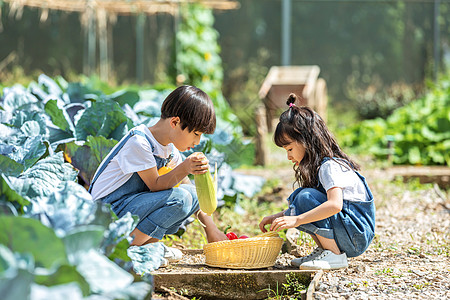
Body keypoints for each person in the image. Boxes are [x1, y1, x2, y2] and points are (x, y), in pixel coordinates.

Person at [89, 85, 227, 264]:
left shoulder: (168, 148)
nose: (197, 141)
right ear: (175, 122)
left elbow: (189, 188)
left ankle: (148, 248)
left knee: (192, 195)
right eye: (196, 134)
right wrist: (185, 167)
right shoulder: (139, 142)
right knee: (180, 199)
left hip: (129, 208)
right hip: (107, 213)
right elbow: (155, 184)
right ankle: (122, 250)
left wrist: (212, 229)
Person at [259, 93, 375, 270]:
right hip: (350, 232)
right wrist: (277, 217)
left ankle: (334, 255)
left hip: (356, 235)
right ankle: (324, 250)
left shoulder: (330, 166)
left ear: (305, 141)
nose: (288, 156)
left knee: (305, 198)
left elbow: (335, 205)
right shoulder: (321, 167)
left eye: (289, 148)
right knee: (300, 197)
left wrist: (296, 219)